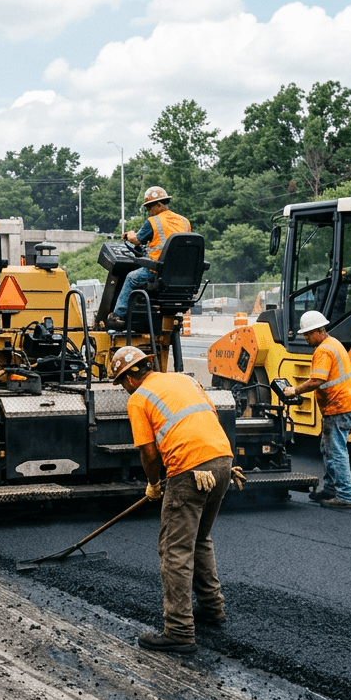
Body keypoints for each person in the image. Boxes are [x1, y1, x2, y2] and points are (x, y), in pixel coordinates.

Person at [112, 346, 239, 654]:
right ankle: (212, 608)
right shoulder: (185, 380)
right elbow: (211, 416)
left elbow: (149, 452)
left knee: (174, 550)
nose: (123, 387)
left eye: (121, 381)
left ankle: (179, 630)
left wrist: (154, 484)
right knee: (200, 539)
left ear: (131, 376)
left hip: (190, 471)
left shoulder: (139, 398)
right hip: (223, 461)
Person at [283, 311, 351, 508]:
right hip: (341, 405)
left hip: (339, 406)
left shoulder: (324, 350)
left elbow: (317, 380)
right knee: (328, 448)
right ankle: (331, 489)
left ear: (318, 331)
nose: (306, 338)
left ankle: (345, 496)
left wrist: (295, 390)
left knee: (336, 451)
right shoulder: (334, 343)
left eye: (308, 334)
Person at [105, 186, 191, 330]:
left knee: (131, 278)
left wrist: (129, 234)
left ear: (159, 205)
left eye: (149, 207)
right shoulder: (185, 221)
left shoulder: (153, 222)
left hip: (158, 271)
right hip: (181, 275)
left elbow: (137, 240)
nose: (148, 212)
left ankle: (117, 316)